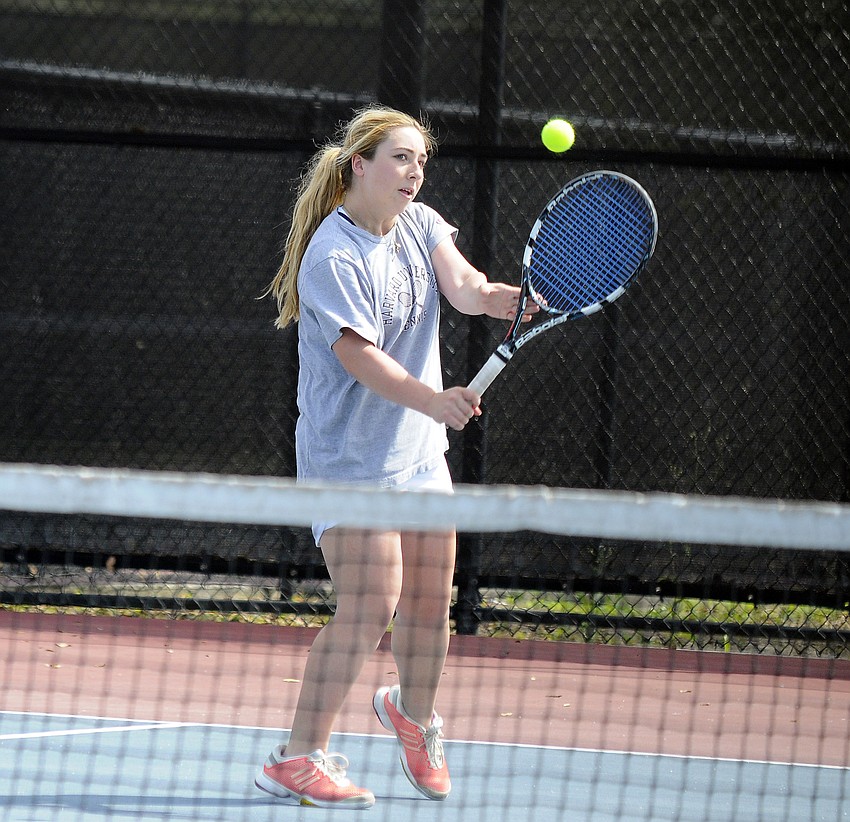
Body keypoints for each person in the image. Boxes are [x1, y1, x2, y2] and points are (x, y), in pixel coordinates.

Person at [255, 105, 535, 809]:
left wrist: (517, 300)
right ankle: (296, 757)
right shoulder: (333, 253)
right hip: (348, 464)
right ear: (361, 165)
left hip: (416, 457)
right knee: (369, 606)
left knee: (427, 604)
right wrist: (432, 399)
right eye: (402, 159)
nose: (415, 173)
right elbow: (357, 356)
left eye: (421, 162)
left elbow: (469, 290)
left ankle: (414, 717)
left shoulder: (420, 222)